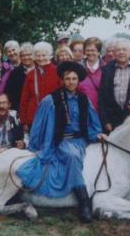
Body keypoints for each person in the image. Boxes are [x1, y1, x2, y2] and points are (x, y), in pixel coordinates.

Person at [16, 62, 106, 223]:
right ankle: (84, 203)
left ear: (78, 80)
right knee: (72, 156)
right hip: (61, 140)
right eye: (68, 79)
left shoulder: (84, 99)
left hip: (81, 139)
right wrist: (35, 146)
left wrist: (97, 134)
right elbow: (38, 124)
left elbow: (92, 122)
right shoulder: (51, 100)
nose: (71, 82)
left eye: (74, 79)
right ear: (62, 80)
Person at [98, 38, 130, 132]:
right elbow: (102, 97)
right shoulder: (107, 69)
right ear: (114, 52)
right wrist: (105, 121)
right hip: (113, 120)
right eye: (118, 50)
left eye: (124, 49)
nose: (121, 52)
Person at [19, 41, 61, 133]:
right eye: (38, 55)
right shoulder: (30, 74)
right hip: (34, 117)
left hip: (53, 116)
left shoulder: (58, 72)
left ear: (50, 56)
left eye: (44, 55)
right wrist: (24, 121)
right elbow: (24, 99)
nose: (41, 58)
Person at [4, 43, 34, 117]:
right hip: (20, 111)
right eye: (23, 55)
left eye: (29, 54)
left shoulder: (40, 70)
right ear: (20, 57)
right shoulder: (14, 73)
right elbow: (9, 93)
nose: (26, 57)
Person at [77, 37, 103, 113]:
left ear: (99, 52)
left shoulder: (106, 69)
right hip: (82, 110)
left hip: (101, 112)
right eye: (88, 50)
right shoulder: (78, 68)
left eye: (93, 50)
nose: (90, 53)